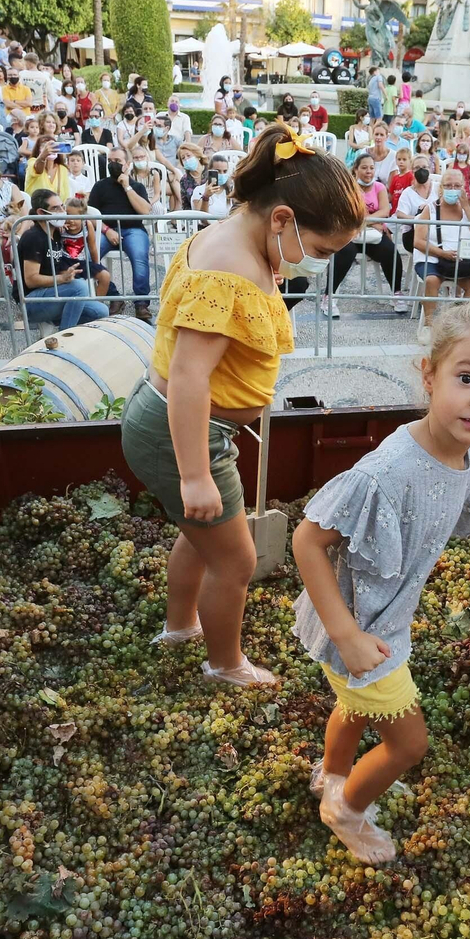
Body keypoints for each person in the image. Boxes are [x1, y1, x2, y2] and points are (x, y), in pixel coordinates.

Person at [294, 300, 470, 862]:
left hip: (380, 621)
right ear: (429, 375)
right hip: (362, 629)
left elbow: (460, 502)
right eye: (466, 378)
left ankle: (332, 776)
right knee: (409, 745)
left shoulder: (458, 451)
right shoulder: (386, 473)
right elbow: (307, 539)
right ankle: (345, 811)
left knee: (354, 707)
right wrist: (346, 634)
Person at [121, 121, 365, 689]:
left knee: (200, 535)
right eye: (322, 250)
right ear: (282, 219)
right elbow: (189, 376)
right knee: (235, 560)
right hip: (186, 432)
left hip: (182, 426)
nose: (320, 263)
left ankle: (179, 627)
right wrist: (196, 475)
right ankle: (225, 665)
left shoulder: (239, 239)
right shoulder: (231, 271)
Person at [16, 188, 110, 331]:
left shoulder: (56, 231)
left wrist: (106, 230)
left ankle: (61, 324)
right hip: (31, 302)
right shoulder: (33, 237)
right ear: (41, 212)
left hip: (53, 294)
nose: (62, 212)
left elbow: (85, 224)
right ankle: (66, 335)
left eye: (62, 206)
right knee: (79, 287)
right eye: (56, 208)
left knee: (101, 311)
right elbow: (31, 280)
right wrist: (62, 279)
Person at [327, 153, 406, 316]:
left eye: (371, 167)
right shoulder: (348, 187)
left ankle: (396, 294)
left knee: (391, 251)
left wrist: (364, 221)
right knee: (344, 253)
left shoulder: (379, 187)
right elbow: (348, 214)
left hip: (372, 235)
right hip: (351, 234)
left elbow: (385, 211)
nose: (368, 171)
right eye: (364, 168)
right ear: (356, 169)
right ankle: (328, 296)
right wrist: (372, 221)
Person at [411, 168, 470, 331]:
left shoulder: (466, 210)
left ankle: (464, 325)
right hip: (432, 258)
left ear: (463, 188)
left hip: (460, 261)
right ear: (441, 188)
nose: (452, 189)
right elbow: (418, 241)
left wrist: (466, 207)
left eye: (457, 186)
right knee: (431, 280)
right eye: (448, 186)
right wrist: (442, 253)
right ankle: (428, 325)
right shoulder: (430, 209)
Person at [89, 146, 154, 319]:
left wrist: (127, 187)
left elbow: (145, 211)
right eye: (110, 161)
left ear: (127, 164)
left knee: (140, 257)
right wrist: (107, 230)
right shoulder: (100, 186)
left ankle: (141, 303)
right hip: (106, 230)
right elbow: (90, 214)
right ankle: (114, 296)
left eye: (117, 161)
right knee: (88, 256)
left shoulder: (137, 186)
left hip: (133, 230)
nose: (113, 164)